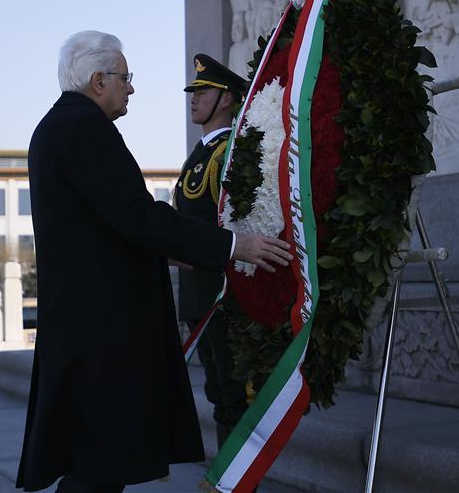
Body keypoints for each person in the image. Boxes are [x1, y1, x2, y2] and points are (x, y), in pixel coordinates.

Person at [16, 31, 292, 493]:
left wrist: (176, 248)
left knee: (98, 458)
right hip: (103, 326)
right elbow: (136, 215)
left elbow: (110, 222)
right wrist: (231, 246)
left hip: (86, 319)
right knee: (100, 463)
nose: (132, 88)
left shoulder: (60, 125)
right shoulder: (84, 128)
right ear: (98, 80)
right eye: (126, 78)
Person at [174, 54, 248, 450]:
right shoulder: (202, 154)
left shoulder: (228, 153)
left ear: (227, 99)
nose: (194, 98)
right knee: (220, 396)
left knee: (234, 398)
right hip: (199, 297)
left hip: (222, 297)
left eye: (203, 91)